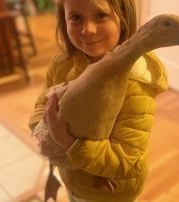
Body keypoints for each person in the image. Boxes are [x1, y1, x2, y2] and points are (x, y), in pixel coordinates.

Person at [28, 0, 168, 201]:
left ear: (123, 20)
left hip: (110, 193)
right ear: (63, 19)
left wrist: (65, 140)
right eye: (76, 18)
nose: (88, 29)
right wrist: (41, 131)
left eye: (101, 15)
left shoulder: (136, 81)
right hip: (73, 179)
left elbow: (123, 158)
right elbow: (42, 103)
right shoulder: (63, 63)